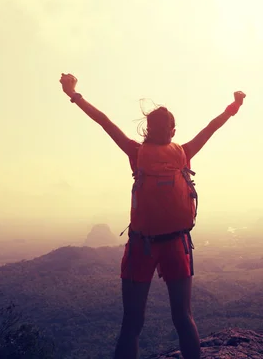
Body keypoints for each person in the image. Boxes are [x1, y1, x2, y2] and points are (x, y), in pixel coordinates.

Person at [58, 73, 246, 359]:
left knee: (131, 324)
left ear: (147, 129)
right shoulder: (182, 153)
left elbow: (105, 122)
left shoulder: (136, 152)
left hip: (141, 245)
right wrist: (234, 107)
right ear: (172, 129)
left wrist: (73, 93)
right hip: (177, 243)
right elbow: (211, 128)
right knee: (184, 317)